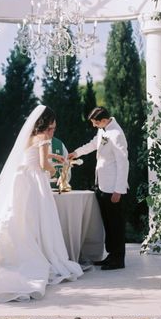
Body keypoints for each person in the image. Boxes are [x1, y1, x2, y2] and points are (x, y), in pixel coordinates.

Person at [0, 105, 83, 303]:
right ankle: (41, 252)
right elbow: (43, 165)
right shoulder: (44, 137)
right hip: (34, 180)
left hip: (20, 178)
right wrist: (56, 171)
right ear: (46, 122)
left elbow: (31, 155)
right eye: (52, 125)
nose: (54, 129)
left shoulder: (29, 136)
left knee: (19, 218)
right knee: (38, 219)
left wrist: (52, 157)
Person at [68, 106, 129, 270]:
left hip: (113, 188)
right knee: (108, 223)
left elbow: (123, 163)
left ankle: (118, 259)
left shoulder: (116, 134)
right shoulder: (103, 129)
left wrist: (119, 189)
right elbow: (94, 144)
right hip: (102, 184)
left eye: (95, 123)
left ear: (103, 120)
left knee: (116, 224)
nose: (94, 126)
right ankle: (111, 255)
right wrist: (76, 153)